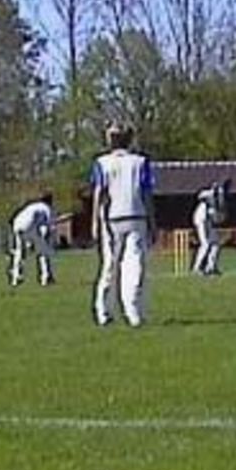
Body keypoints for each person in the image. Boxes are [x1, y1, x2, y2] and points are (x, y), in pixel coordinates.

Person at [90, 124, 156, 327]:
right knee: (133, 267)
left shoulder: (102, 163)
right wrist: (153, 221)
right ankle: (131, 312)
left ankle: (105, 311)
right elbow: (146, 195)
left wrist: (94, 221)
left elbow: (99, 194)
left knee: (112, 265)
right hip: (135, 217)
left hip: (114, 219)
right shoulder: (140, 162)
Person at [9, 192, 56, 288]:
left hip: (17, 224)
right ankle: (45, 278)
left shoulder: (33, 205)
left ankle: (16, 278)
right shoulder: (46, 208)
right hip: (29, 226)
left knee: (19, 252)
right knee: (43, 252)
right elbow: (49, 228)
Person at [192, 180, 228, 276]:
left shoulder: (218, 199)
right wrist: (214, 191)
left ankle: (211, 267)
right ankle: (196, 268)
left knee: (216, 244)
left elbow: (216, 217)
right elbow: (201, 196)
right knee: (205, 244)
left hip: (207, 222)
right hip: (201, 221)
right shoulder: (208, 195)